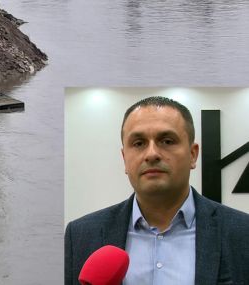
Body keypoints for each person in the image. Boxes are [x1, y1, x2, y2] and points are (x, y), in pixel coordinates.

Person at [65, 96, 249, 285]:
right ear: (124, 158)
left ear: (193, 155)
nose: (152, 154)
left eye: (167, 141)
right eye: (138, 143)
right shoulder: (81, 235)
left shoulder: (242, 233)